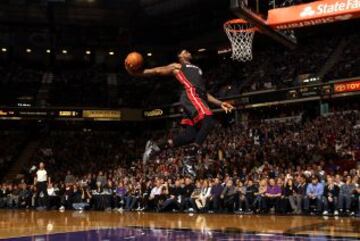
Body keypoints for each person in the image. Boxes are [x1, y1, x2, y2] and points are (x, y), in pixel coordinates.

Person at [125, 50, 234, 176]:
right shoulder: (177, 66)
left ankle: (156, 147)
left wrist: (220, 103)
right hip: (191, 95)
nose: (187, 51)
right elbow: (156, 71)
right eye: (184, 51)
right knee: (208, 121)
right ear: (180, 56)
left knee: (191, 135)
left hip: (198, 95)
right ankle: (190, 157)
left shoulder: (197, 69)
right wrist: (136, 73)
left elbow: (204, 93)